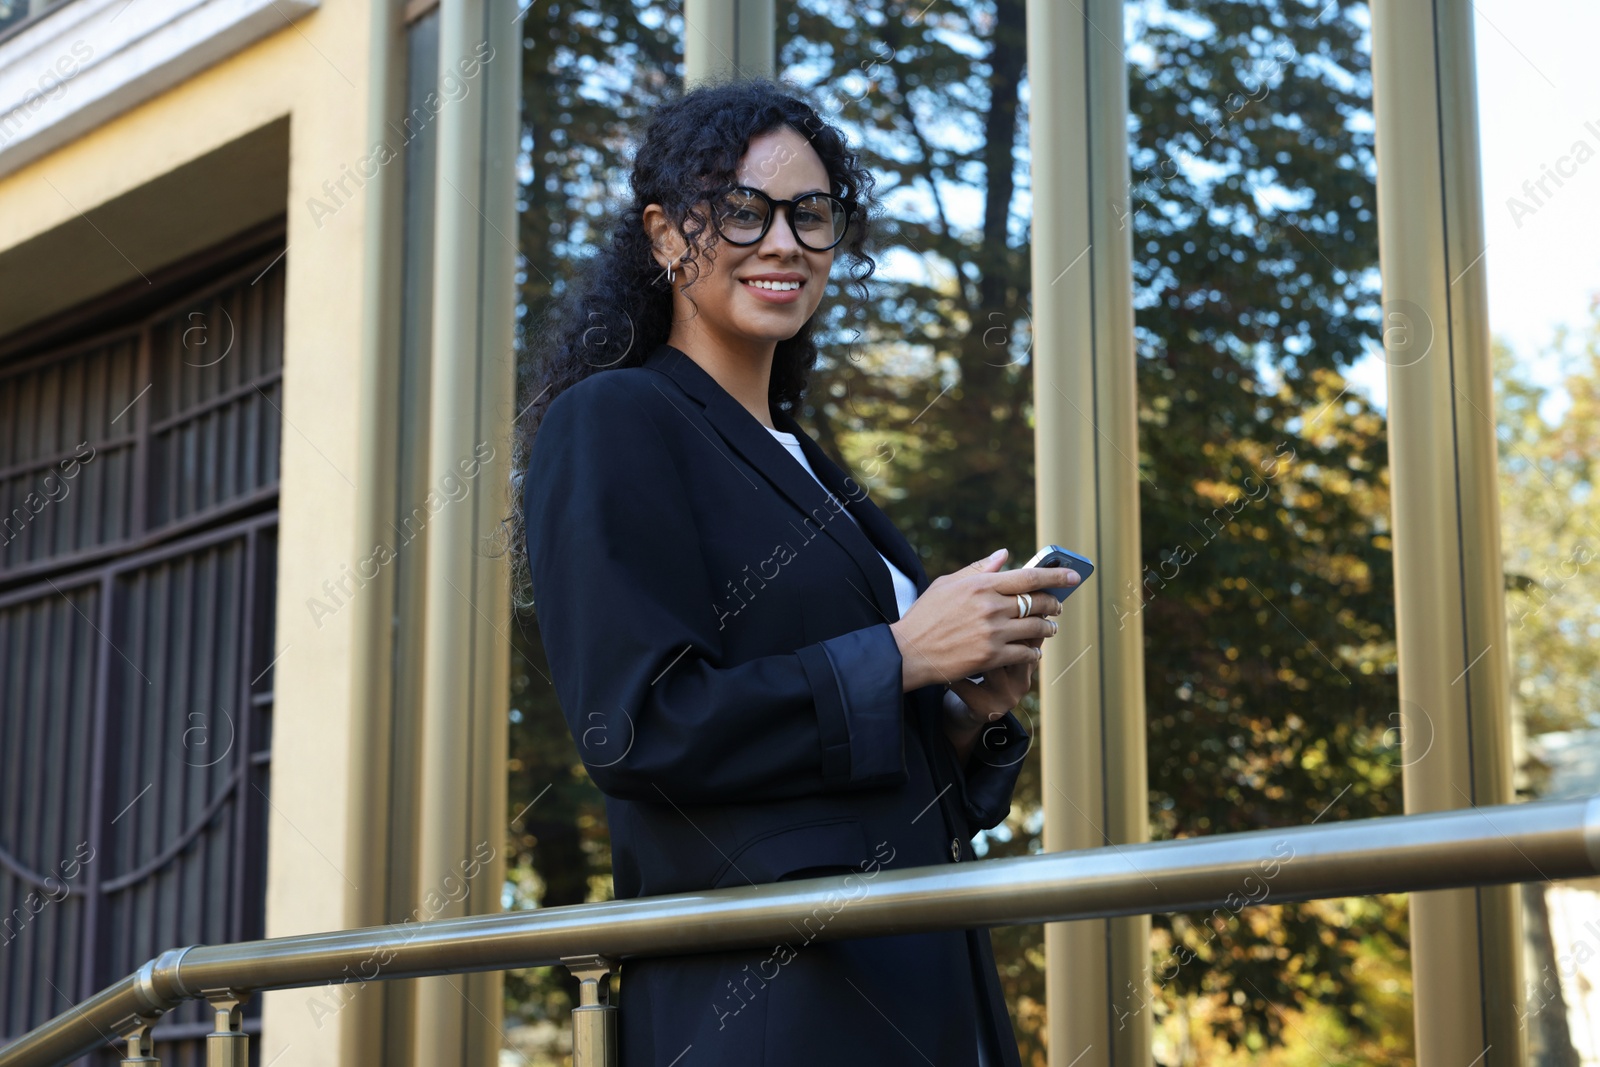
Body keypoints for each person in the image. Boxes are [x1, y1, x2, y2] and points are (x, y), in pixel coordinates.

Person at [516, 77, 1076, 1067]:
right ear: (661, 235)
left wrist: (964, 710)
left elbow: (843, 761)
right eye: (741, 209)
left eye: (810, 214)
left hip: (921, 977)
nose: (782, 241)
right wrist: (900, 652)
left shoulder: (810, 463)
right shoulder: (613, 419)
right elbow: (635, 724)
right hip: (769, 1004)